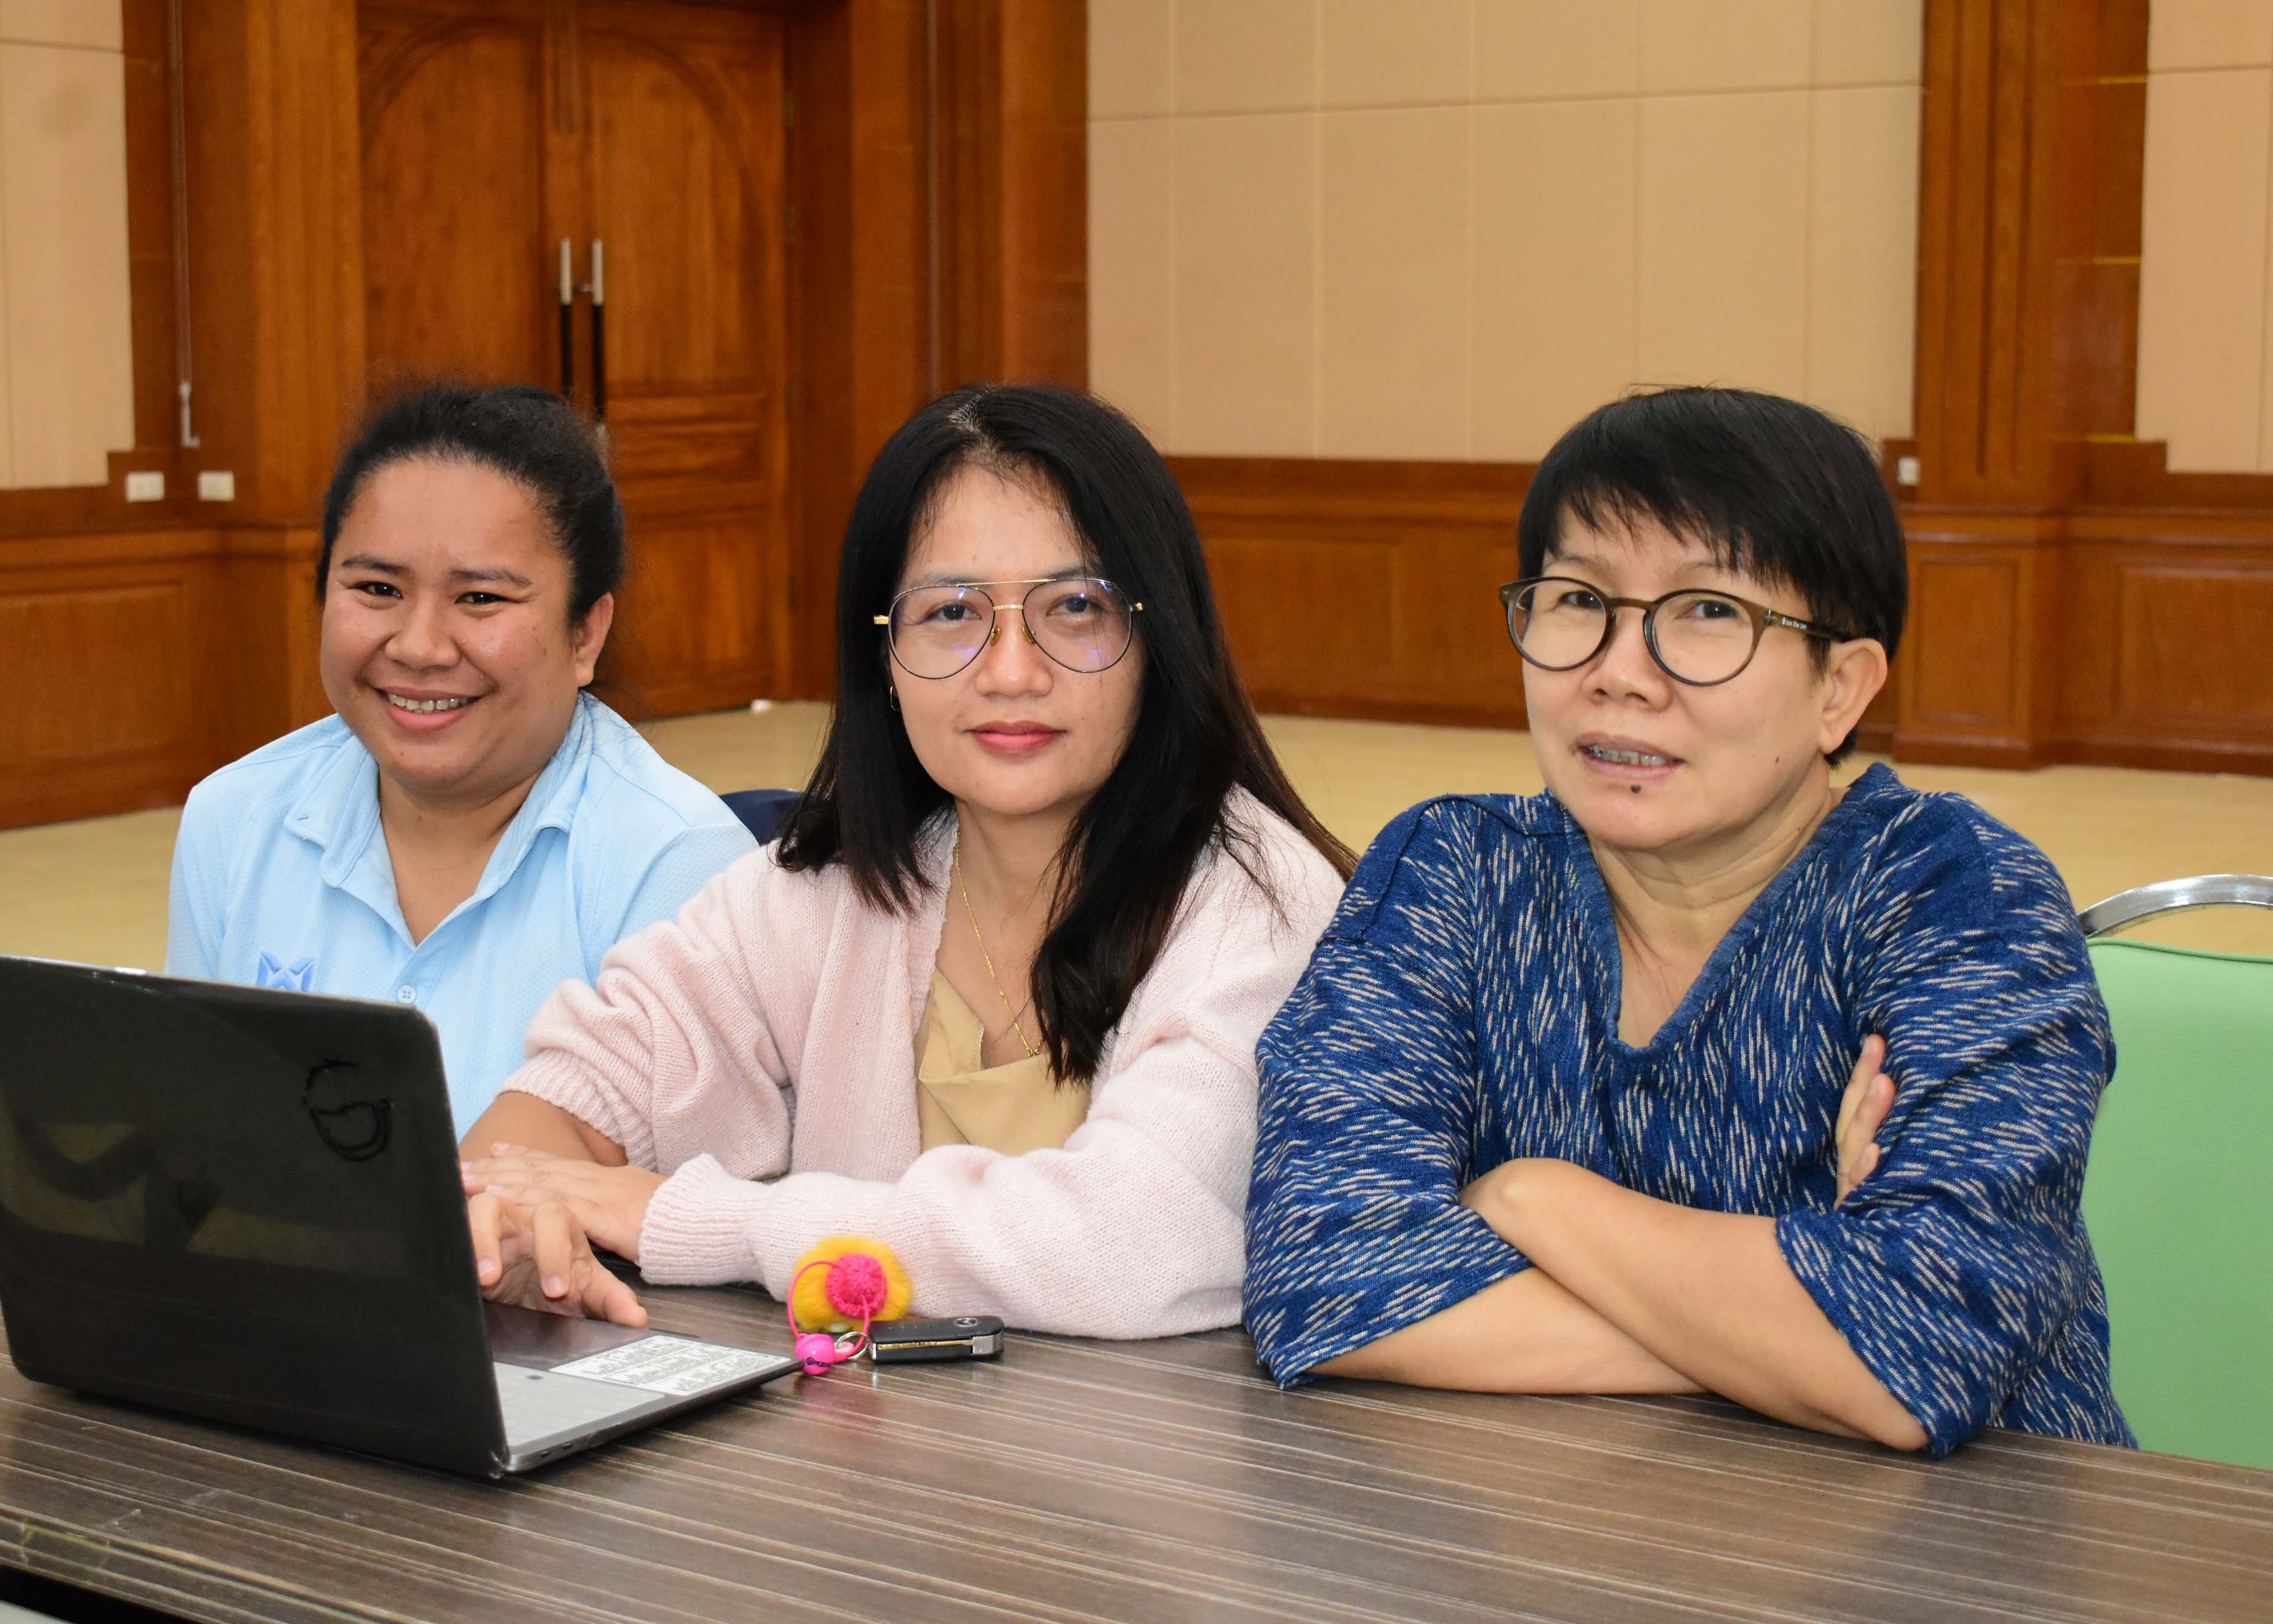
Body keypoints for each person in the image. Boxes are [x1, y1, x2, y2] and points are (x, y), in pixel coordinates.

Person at [1244, 387, 2132, 1456]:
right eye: (1579, 599)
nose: (1619, 674)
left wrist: (1533, 1197)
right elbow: (1319, 1271)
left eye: (1709, 611)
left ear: (1841, 689)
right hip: (1549, 1516)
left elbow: (1923, 1340)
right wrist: (1794, 1336)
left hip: (1966, 1535)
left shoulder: (1955, 897)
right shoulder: (1454, 873)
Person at [456, 382, 1353, 1335]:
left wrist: (695, 1218)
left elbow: (1135, 1245)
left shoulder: (1259, 902)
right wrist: (508, 1211)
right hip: (871, 1432)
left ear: (1159, 637)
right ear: (881, 655)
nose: (1011, 670)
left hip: (1154, 1429)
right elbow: (582, 1089)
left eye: (1075, 606)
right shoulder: (836, 886)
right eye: (952, 611)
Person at [165, 384, 754, 1131]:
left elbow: (695, 1189)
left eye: (479, 599)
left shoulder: (677, 865)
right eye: (377, 588)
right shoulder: (235, 817)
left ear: (584, 635)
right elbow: (197, 1130)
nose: (418, 647)